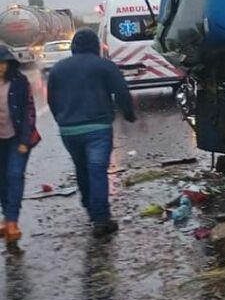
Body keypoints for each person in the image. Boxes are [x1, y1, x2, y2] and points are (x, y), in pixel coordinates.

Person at [47, 28, 136, 237]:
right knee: (97, 170)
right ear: (96, 45)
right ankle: (101, 219)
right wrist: (129, 114)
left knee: (82, 169)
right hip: (98, 128)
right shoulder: (105, 66)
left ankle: (90, 209)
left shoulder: (58, 69)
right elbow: (122, 91)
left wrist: (61, 119)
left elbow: (52, 99)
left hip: (69, 130)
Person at [0, 46, 39, 246]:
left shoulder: (19, 82)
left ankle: (12, 221)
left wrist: (25, 141)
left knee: (14, 175)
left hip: (17, 138)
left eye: (3, 63)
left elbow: (29, 112)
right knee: (2, 181)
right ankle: (6, 217)